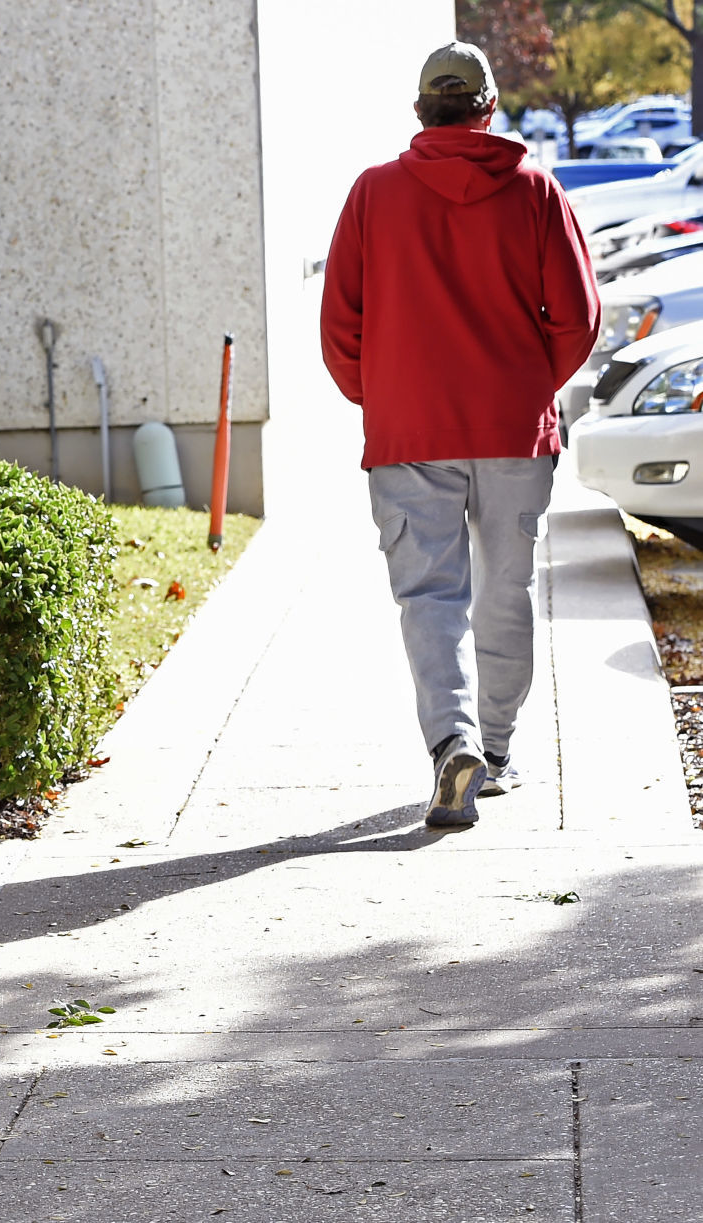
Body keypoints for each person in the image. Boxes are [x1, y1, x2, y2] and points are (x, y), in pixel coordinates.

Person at [320, 41, 600, 829]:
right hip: (512, 429)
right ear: (489, 108)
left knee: (430, 595)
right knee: (506, 590)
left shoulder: (373, 194)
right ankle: (498, 752)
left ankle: (454, 743)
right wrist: (526, 384)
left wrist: (378, 396)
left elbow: (341, 321)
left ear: (420, 110)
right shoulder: (536, 191)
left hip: (409, 432)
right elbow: (578, 317)